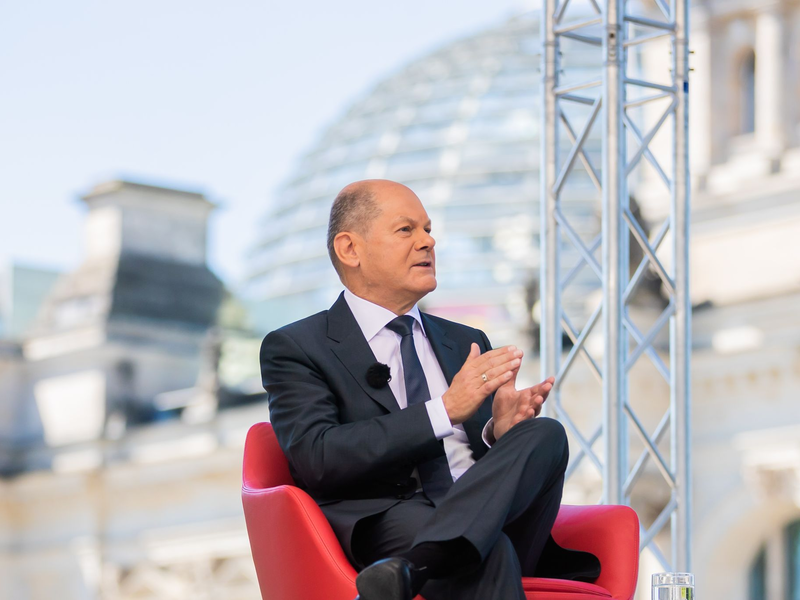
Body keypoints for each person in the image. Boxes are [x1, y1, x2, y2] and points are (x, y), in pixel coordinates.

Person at [260, 180, 599, 600]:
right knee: (487, 555)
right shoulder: (297, 347)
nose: (428, 241)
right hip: (392, 519)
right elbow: (318, 457)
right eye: (407, 230)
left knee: (545, 434)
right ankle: (440, 553)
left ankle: (421, 564)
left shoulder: (466, 340)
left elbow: (487, 462)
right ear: (350, 249)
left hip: (487, 517)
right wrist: (444, 410)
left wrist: (500, 433)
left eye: (428, 229)